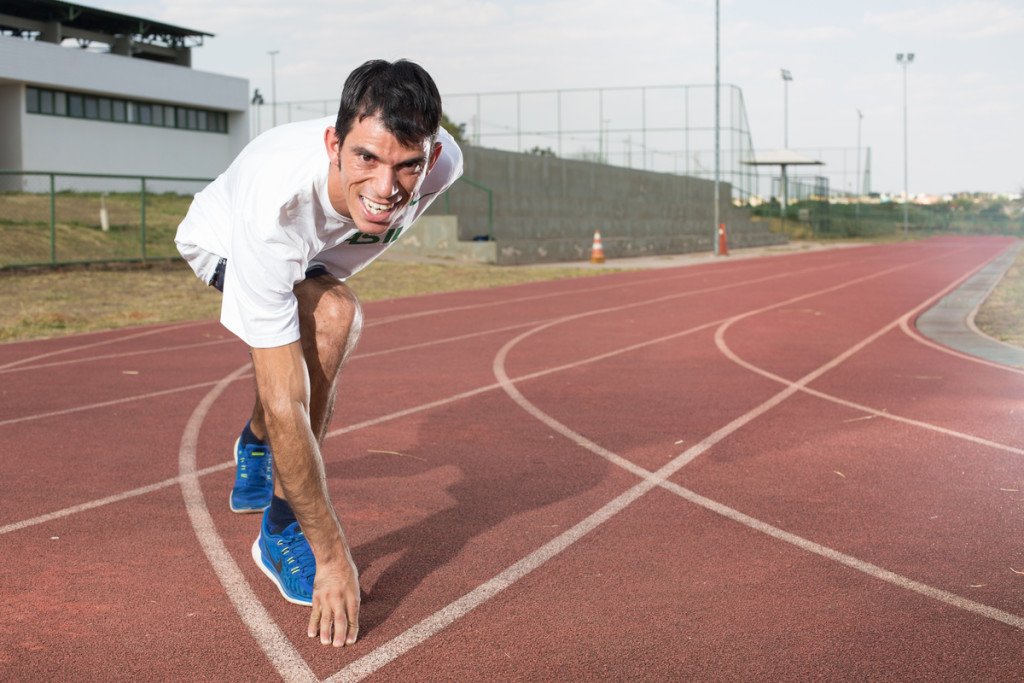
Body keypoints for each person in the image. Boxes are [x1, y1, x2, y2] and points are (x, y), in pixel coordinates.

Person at [175, 59, 463, 647]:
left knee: (319, 329)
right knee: (331, 320)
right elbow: (289, 403)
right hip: (229, 241)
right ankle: (280, 532)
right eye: (366, 159)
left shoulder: (444, 164)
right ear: (333, 143)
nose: (387, 190)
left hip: (317, 254)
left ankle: (253, 444)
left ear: (430, 158)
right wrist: (330, 553)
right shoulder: (273, 210)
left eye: (407, 165)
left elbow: (390, 187)